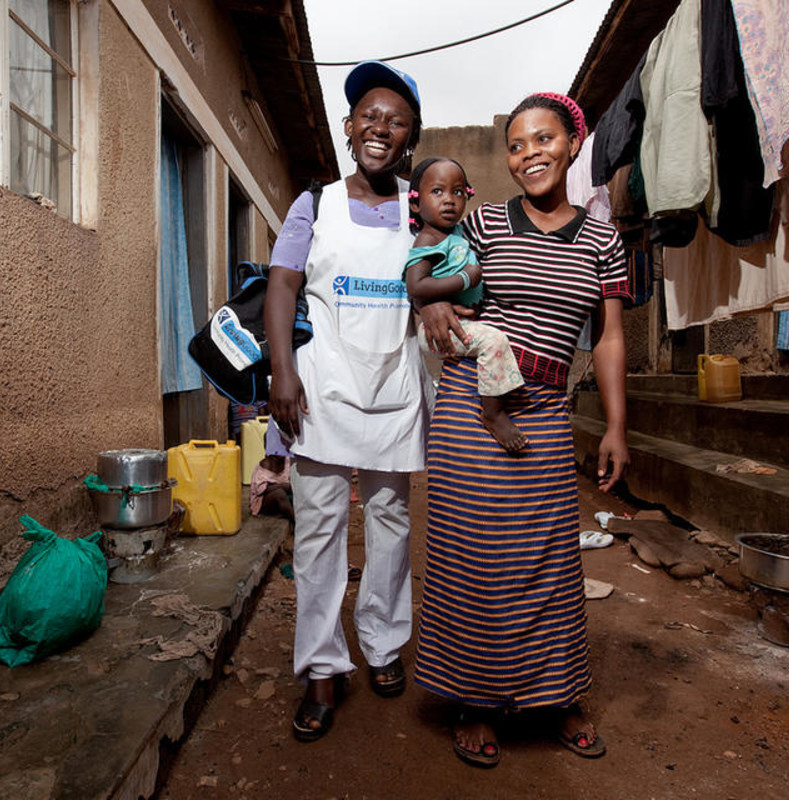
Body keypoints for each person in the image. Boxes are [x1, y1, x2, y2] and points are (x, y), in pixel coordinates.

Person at [413, 92, 632, 768]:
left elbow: (609, 338)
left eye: (543, 139)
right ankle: (475, 700)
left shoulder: (603, 237)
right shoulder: (482, 224)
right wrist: (435, 313)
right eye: (516, 144)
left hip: (546, 410)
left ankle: (553, 695)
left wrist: (617, 426)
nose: (530, 153)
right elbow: (435, 280)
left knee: (548, 560)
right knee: (473, 555)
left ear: (572, 143)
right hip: (471, 406)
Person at [264, 60, 430, 743]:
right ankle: (323, 667)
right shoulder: (315, 203)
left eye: (395, 121)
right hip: (324, 391)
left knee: (391, 526)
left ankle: (384, 644)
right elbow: (281, 286)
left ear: (409, 139)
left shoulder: (422, 209)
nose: (379, 128)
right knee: (321, 534)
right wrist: (282, 374)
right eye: (369, 115)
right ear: (348, 126)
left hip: (395, 392)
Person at [405, 157, 527, 453]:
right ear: (415, 204)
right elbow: (416, 285)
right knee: (494, 341)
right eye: (437, 192)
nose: (449, 200)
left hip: (460, 323)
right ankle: (493, 413)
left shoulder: (456, 233)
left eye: (457, 192)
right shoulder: (427, 240)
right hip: (439, 329)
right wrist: (464, 279)